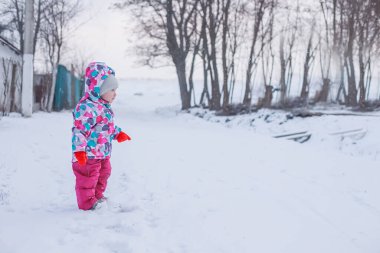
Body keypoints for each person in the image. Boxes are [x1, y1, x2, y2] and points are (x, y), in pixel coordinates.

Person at [71, 62, 131, 210]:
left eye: (115, 89)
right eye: (111, 89)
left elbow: (107, 127)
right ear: (99, 88)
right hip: (87, 155)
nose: (115, 93)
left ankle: (96, 196)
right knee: (88, 179)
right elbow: (79, 130)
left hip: (102, 153)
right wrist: (79, 150)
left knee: (103, 174)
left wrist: (118, 133)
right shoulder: (87, 107)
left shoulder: (104, 107)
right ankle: (87, 202)